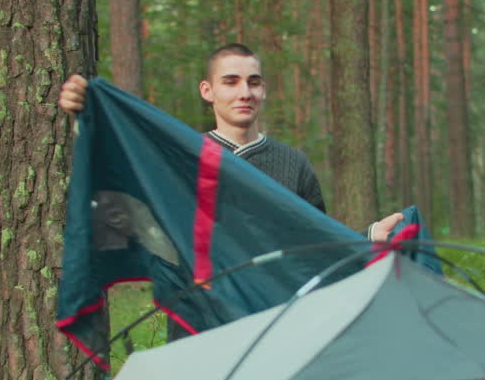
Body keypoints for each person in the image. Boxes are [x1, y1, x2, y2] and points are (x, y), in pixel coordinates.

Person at [59, 43, 403, 242]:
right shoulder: (181, 156)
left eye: (253, 82)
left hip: (275, 318)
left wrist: (368, 235)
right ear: (208, 91)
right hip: (202, 318)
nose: (244, 92)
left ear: (263, 89)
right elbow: (125, 203)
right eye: (230, 81)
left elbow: (314, 243)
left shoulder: (292, 163)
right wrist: (88, 119)